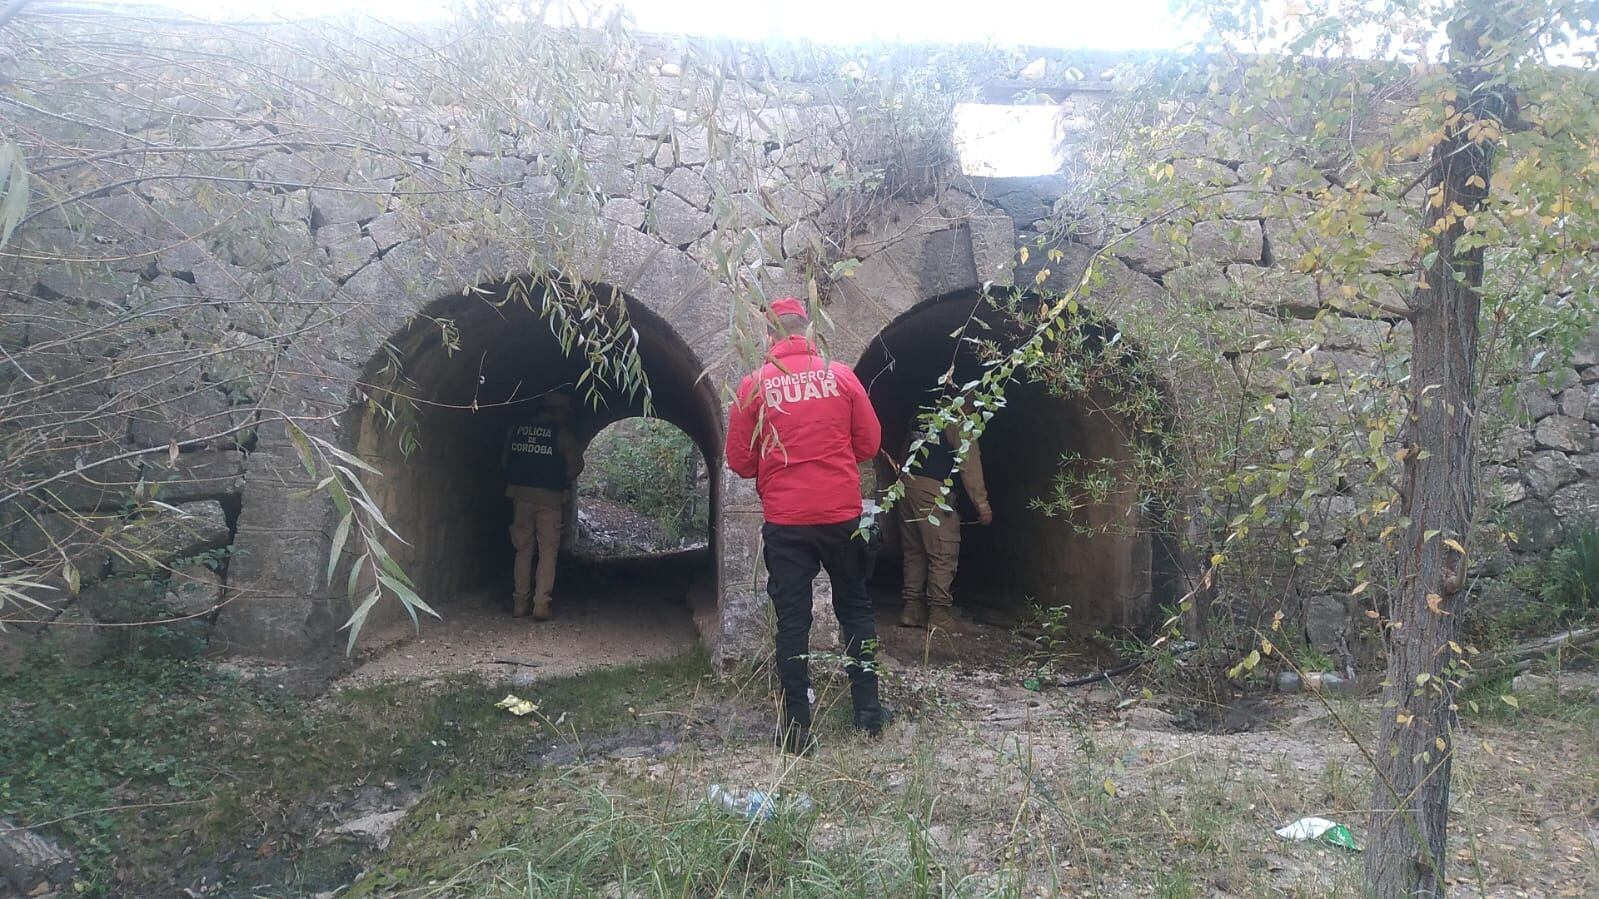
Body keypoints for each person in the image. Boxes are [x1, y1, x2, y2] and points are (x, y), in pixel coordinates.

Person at [726, 297, 888, 755]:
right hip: (841, 516)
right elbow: (870, 443)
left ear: (769, 335)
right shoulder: (841, 376)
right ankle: (869, 715)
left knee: (792, 623)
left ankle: (797, 729)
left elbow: (739, 462)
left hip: (787, 522)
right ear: (809, 330)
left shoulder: (754, 385)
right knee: (855, 609)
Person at [897, 393, 991, 631]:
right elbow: (969, 463)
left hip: (906, 486)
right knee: (943, 549)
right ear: (969, 403)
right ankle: (939, 614)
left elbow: (904, 449)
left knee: (915, 549)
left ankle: (912, 608)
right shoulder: (958, 418)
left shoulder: (922, 413)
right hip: (933, 490)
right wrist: (982, 504)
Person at [503, 391, 583, 621]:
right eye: (564, 413)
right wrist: (559, 479)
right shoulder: (561, 434)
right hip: (549, 499)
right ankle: (541, 604)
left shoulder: (515, 430)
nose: (565, 417)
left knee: (523, 549)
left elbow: (505, 461)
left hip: (520, 497)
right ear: (556, 412)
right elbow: (575, 466)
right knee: (547, 551)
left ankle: (520, 603)